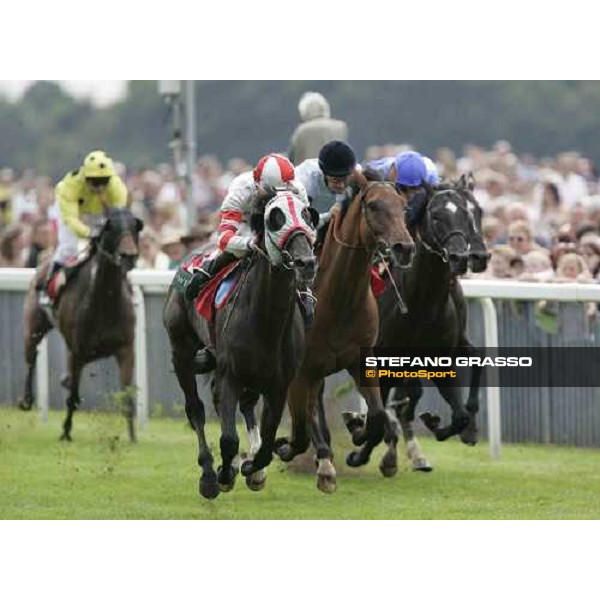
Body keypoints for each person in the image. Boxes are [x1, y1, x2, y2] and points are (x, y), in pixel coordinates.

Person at [185, 153, 311, 374]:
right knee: (223, 257)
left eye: (284, 191)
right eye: (272, 191)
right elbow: (224, 239)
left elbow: (308, 232)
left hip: (279, 234)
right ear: (258, 184)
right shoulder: (242, 190)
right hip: (245, 229)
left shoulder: (297, 189)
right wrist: (249, 243)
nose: (279, 196)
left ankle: (305, 309)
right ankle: (202, 282)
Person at [37, 150, 128, 305]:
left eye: (104, 181)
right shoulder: (70, 186)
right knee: (69, 248)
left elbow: (117, 218)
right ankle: (48, 289)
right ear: (86, 177)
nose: (100, 187)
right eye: (95, 182)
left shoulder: (117, 188)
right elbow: (71, 220)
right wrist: (89, 233)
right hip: (73, 213)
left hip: (97, 213)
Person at [294, 140, 360, 245]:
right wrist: (328, 217)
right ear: (323, 172)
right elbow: (299, 222)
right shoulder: (304, 178)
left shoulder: (358, 174)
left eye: (345, 179)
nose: (342, 185)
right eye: (335, 180)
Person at [288, 92, 348, 165]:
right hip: (336, 171)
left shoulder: (302, 130)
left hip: (310, 173)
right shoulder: (341, 127)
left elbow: (294, 156)